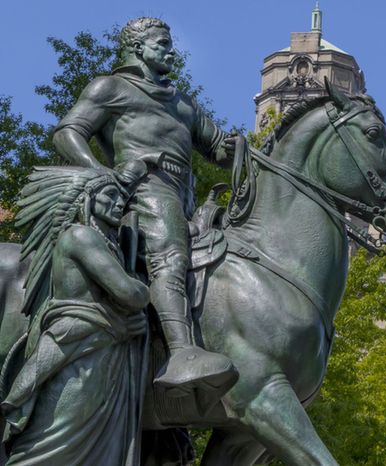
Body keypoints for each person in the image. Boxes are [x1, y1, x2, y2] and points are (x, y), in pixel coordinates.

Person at [52, 17, 236, 393]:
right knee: (170, 254)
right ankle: (182, 352)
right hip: (144, 187)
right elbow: (68, 131)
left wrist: (238, 149)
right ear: (138, 48)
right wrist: (100, 173)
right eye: (163, 43)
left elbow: (217, 148)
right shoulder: (111, 87)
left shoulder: (182, 103)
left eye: (171, 44)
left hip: (184, 193)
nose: (172, 51)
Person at [1, 164, 149, 465]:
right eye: (109, 195)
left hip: (102, 348)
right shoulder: (80, 236)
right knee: (56, 438)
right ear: (86, 198)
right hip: (77, 346)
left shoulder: (110, 245)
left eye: (122, 198)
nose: (118, 203)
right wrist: (143, 288)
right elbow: (131, 295)